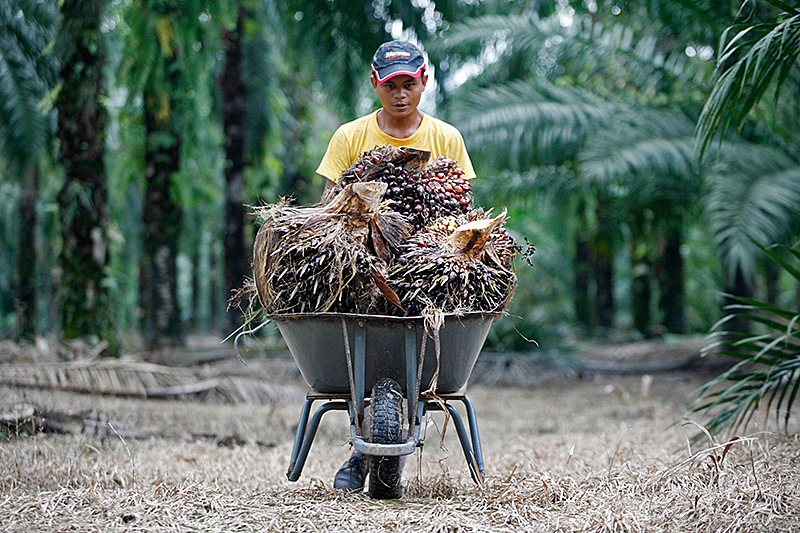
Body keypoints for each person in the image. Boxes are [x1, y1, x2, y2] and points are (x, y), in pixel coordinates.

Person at [316, 40, 476, 492]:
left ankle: (365, 453)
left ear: (424, 82)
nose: (400, 94)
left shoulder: (446, 139)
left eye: (409, 83)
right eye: (391, 85)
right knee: (363, 324)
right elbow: (328, 206)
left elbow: (461, 211)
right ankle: (370, 446)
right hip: (361, 272)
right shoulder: (351, 138)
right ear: (375, 85)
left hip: (428, 273)